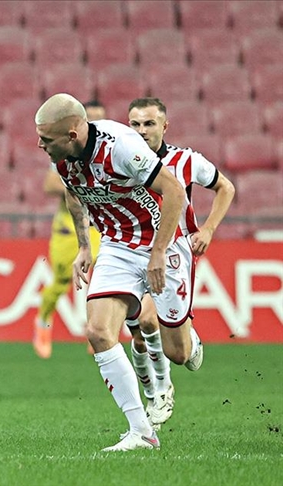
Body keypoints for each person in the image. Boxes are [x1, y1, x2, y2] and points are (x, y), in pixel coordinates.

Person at [35, 93, 188, 451]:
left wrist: (159, 252)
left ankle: (187, 340)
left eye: (46, 139)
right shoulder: (64, 156)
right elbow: (74, 193)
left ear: (72, 134)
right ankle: (142, 431)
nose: (40, 145)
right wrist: (85, 246)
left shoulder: (121, 146)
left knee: (180, 353)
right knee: (98, 331)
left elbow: (174, 191)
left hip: (159, 238)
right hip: (117, 245)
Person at [125, 97, 235, 428]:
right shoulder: (121, 161)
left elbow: (225, 187)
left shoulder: (185, 161)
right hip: (132, 251)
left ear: (164, 126)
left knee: (179, 353)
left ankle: (188, 338)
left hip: (173, 255)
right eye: (135, 124)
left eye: (149, 124)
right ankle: (158, 393)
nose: (141, 131)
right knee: (141, 325)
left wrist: (209, 229)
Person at [33, 101, 104, 359]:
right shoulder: (64, 152)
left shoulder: (108, 152)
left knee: (100, 275)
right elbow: (50, 185)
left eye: (98, 119)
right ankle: (42, 322)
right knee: (62, 280)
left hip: (95, 224)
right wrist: (78, 186)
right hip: (66, 227)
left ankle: (98, 328)